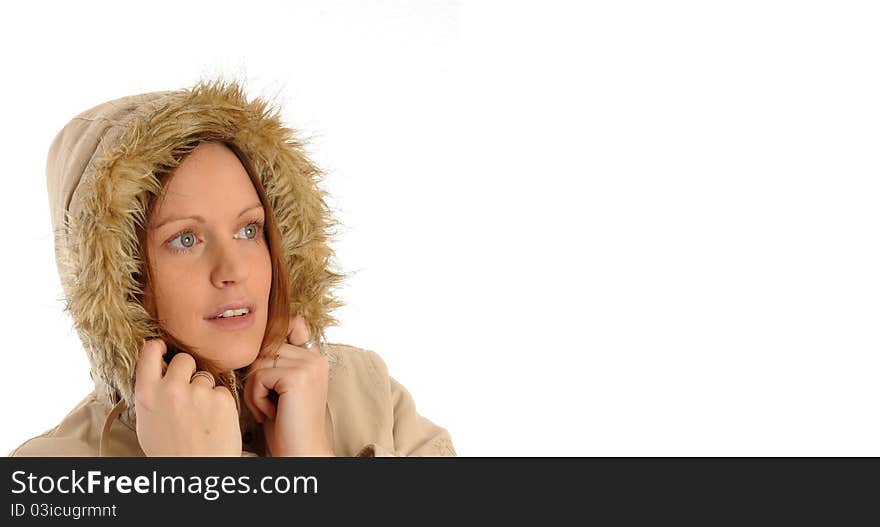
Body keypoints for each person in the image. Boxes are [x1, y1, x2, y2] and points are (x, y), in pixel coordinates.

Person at [9, 77, 455, 457]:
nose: (233, 270)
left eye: (248, 230)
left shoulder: (370, 397)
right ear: (120, 277)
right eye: (185, 240)